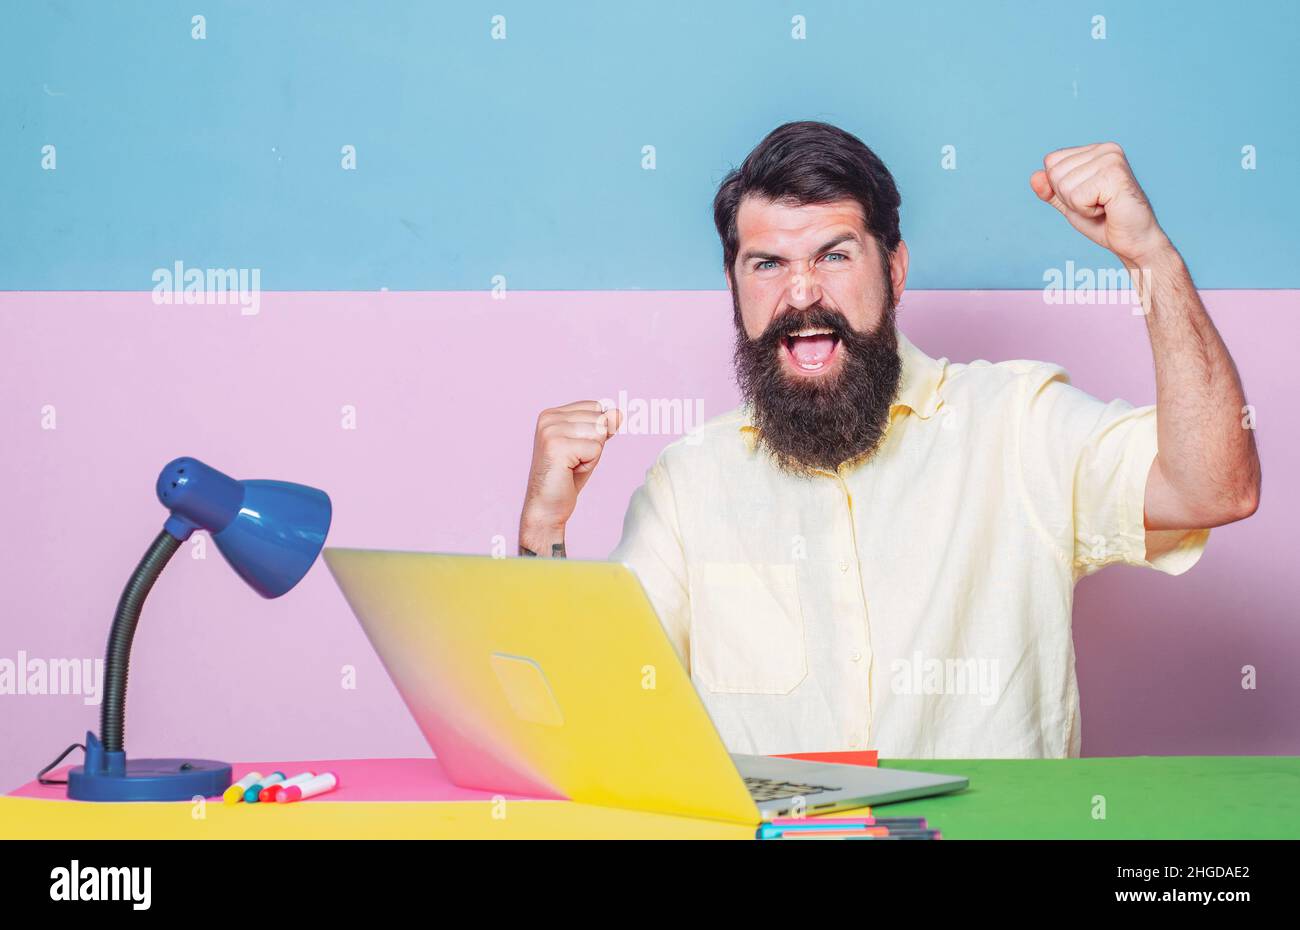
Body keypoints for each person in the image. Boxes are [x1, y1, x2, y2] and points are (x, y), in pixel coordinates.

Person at [517, 121, 1261, 758]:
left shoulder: (1016, 425)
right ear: (734, 285)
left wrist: (1150, 258)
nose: (801, 293)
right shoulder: (689, 481)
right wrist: (544, 530)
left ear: (895, 269)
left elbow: (1215, 486)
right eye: (768, 264)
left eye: (834, 255)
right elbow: (591, 718)